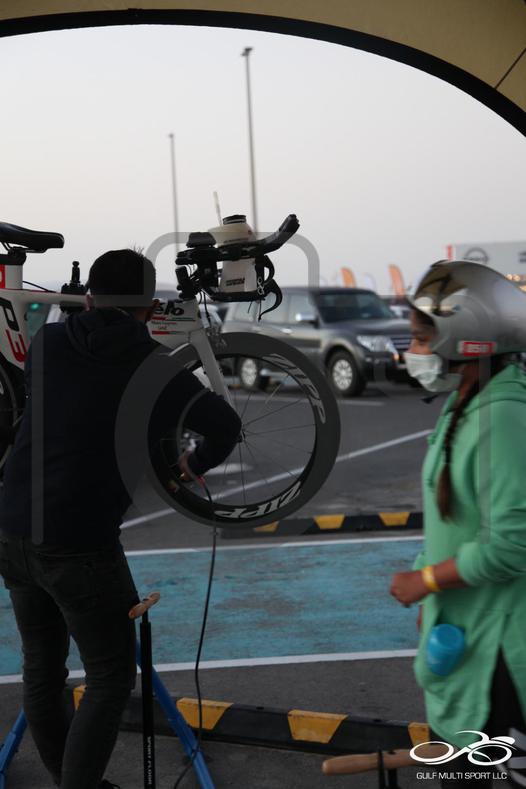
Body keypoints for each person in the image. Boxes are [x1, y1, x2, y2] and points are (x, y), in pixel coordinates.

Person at [0, 249, 241, 789]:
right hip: (78, 542)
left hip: (12, 527)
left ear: (87, 298)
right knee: (109, 676)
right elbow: (225, 426)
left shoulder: (47, 343)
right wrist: (193, 463)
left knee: (43, 668)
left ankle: (69, 779)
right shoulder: (156, 369)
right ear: (150, 309)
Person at [389, 259, 526, 787]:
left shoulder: (503, 416)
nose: (413, 350)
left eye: (422, 338)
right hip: (466, 632)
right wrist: (432, 588)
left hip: (500, 653)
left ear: (465, 340)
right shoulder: (465, 403)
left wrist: (425, 580)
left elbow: (512, 545)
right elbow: (453, 518)